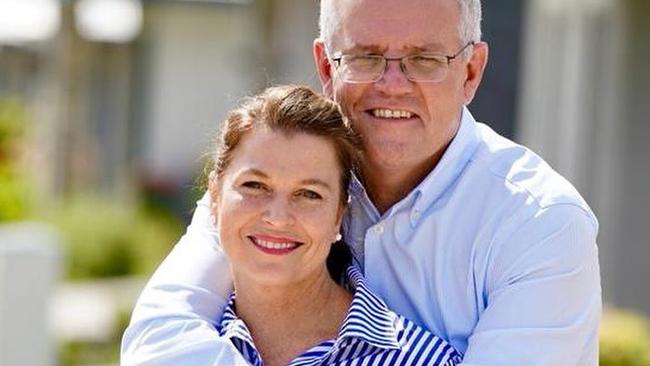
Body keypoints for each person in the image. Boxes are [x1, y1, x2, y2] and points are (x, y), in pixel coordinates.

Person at [122, 1, 601, 365]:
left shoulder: (540, 225)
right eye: (366, 57)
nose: (393, 84)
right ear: (328, 67)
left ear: (471, 71)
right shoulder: (270, 182)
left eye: (424, 59)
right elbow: (158, 337)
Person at [206, 84, 462, 366]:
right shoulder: (173, 345)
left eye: (308, 194)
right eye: (255, 185)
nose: (277, 218)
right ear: (215, 197)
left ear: (339, 214)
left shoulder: (419, 361)